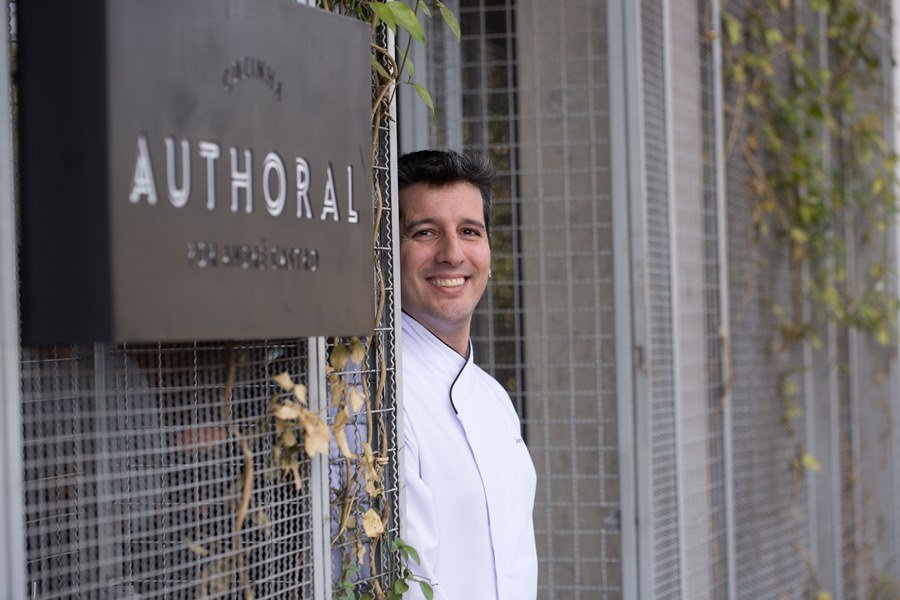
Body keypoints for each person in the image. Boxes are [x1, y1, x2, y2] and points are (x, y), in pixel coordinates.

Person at [397, 150, 538, 599]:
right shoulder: (378, 396)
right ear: (385, 251)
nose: (452, 253)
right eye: (425, 232)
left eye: (469, 232)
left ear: (489, 253)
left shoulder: (495, 400)